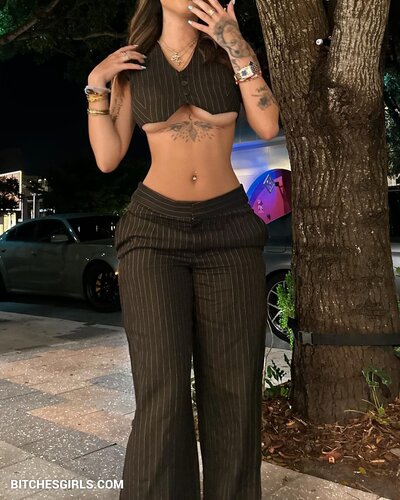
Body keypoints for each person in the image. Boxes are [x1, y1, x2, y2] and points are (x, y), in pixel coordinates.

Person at [86, 1, 279, 498]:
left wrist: (235, 41)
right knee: (163, 392)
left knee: (234, 390)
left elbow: (267, 125)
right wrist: (96, 85)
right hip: (153, 232)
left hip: (229, 230)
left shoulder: (227, 52)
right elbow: (107, 158)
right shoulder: (133, 66)